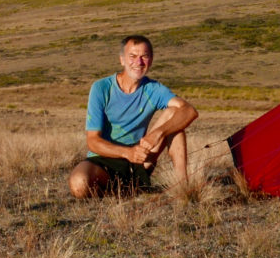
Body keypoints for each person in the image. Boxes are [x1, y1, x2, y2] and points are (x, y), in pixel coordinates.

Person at [68, 34, 197, 198]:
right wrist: (128, 153)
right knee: (79, 184)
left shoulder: (154, 89)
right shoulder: (101, 88)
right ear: (122, 60)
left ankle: (183, 186)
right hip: (104, 158)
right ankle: (123, 191)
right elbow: (93, 141)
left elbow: (189, 111)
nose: (139, 62)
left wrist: (158, 133)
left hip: (139, 160)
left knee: (175, 114)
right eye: (133, 56)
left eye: (144, 56)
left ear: (151, 60)